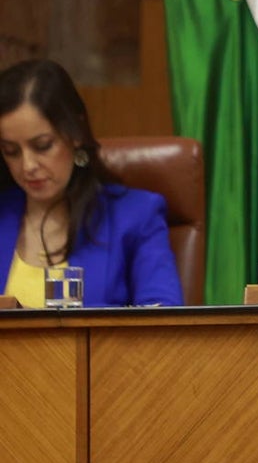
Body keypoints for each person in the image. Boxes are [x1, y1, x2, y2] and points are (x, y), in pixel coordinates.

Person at [0, 59, 183, 307]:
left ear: (75, 132)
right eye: (11, 151)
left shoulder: (136, 216)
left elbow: (163, 323)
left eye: (42, 146)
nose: (28, 165)